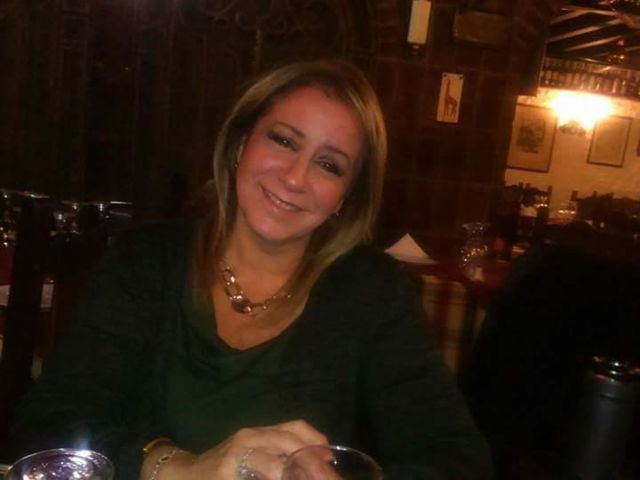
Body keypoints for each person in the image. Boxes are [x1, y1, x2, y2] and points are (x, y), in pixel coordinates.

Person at [11, 59, 492, 479]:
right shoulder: (146, 261)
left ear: (345, 198)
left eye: (329, 165)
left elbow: (457, 459)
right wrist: (177, 467)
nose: (295, 177)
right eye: (283, 141)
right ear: (241, 143)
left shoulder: (373, 292)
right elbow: (47, 425)